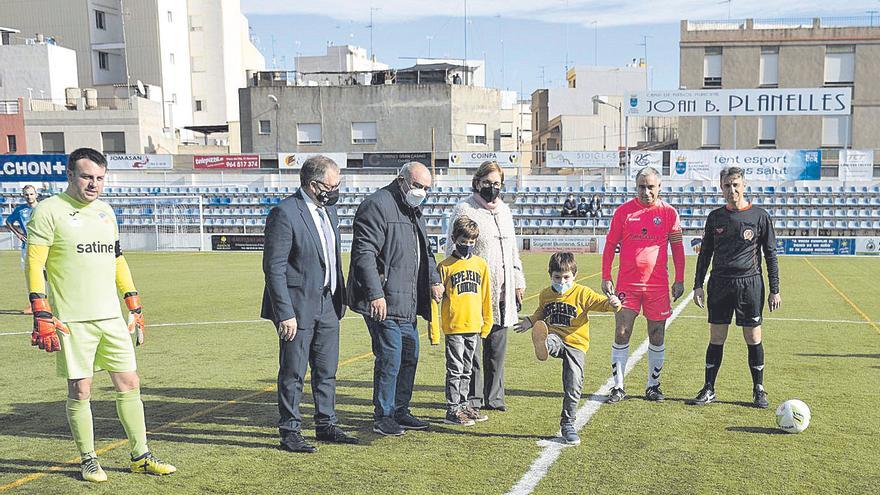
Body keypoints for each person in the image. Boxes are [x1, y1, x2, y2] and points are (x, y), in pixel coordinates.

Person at [25, 148, 175, 483]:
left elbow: (117, 259)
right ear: (70, 175)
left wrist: (133, 302)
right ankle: (89, 459)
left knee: (129, 383)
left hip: (110, 317)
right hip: (72, 320)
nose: (94, 184)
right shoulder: (49, 211)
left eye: (99, 178)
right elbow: (34, 263)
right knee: (81, 389)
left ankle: (141, 455)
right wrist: (41, 310)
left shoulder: (106, 212)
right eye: (87, 176)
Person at [261, 155, 357, 453]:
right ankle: (290, 430)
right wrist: (284, 312)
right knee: (293, 372)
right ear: (314, 184)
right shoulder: (285, 213)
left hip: (328, 303)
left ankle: (326, 423)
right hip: (298, 307)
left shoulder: (330, 212)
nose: (337, 190)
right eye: (333, 184)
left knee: (327, 369)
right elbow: (273, 267)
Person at [348, 161, 444, 436]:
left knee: (409, 356)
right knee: (390, 356)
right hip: (384, 301)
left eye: (426, 188)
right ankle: (384, 415)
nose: (421, 192)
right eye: (417, 186)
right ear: (401, 180)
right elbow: (364, 253)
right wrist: (375, 294)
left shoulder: (414, 210)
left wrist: (434, 279)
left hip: (408, 302)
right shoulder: (376, 205)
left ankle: (401, 410)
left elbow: (425, 252)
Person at [689, 166, 781, 409]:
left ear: (744, 185)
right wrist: (698, 285)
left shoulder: (759, 216)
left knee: (753, 337)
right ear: (721, 187)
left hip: (750, 284)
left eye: (736, 184)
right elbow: (705, 253)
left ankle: (758, 389)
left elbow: (770, 254)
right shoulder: (715, 217)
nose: (732, 190)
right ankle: (709, 388)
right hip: (719, 283)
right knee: (717, 337)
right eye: (727, 185)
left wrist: (775, 288)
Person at [514, 252, 621, 445]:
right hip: (556, 336)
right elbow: (541, 311)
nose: (561, 281)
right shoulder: (546, 294)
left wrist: (613, 304)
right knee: (551, 340)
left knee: (574, 384)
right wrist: (530, 322)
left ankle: (568, 424)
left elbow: (601, 303)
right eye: (557, 277)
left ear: (574, 275)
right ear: (550, 275)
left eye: (566, 277)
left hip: (576, 344)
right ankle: (543, 344)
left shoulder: (582, 293)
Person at [601, 166, 685, 403]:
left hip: (657, 286)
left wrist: (679, 278)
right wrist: (606, 276)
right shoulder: (623, 212)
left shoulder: (669, 213)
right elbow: (610, 245)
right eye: (641, 186)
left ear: (659, 187)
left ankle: (653, 386)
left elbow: (677, 248)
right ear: (635, 186)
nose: (646, 191)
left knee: (656, 334)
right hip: (627, 284)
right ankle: (618, 387)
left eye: (650, 187)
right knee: (622, 331)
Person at [447, 160, 526, 412]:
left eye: (496, 184)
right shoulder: (465, 209)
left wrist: (518, 280)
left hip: (503, 290)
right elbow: (452, 248)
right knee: (472, 346)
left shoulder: (504, 210)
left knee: (497, 347)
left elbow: (512, 250)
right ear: (477, 182)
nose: (492, 188)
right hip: (473, 292)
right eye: (487, 183)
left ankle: (495, 397)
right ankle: (473, 397)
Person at [429, 217, 493, 426]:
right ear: (454, 238)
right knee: (455, 369)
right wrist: (435, 332)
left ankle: (465, 405)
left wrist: (487, 324)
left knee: (468, 368)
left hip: (474, 325)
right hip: (454, 326)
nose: (467, 245)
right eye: (463, 241)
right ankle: (452, 408)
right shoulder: (445, 266)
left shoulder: (480, 265)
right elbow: (434, 301)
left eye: (471, 241)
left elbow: (486, 296)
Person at [6, 184, 39, 313]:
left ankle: (49, 303)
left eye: (31, 194)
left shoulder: (43, 208)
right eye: (26, 194)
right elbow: (8, 222)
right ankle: (33, 305)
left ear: (36, 194)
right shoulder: (20, 210)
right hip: (27, 247)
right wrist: (18, 234)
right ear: (23, 195)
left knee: (47, 276)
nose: (29, 197)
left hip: (43, 246)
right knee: (29, 276)